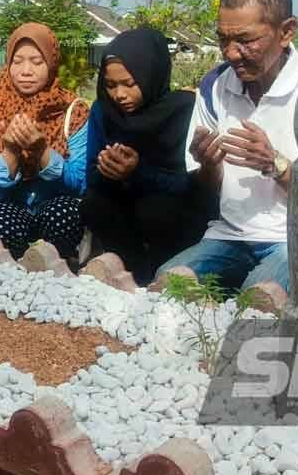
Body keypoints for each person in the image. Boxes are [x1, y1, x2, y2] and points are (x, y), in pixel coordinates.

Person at [155, 0, 298, 294]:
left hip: (292, 238)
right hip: (229, 235)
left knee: (259, 296)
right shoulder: (214, 86)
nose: (231, 53)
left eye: (245, 40)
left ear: (286, 32)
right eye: (223, 40)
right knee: (168, 282)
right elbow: (208, 186)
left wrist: (275, 164)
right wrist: (209, 165)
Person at [80, 28, 212, 285]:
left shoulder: (183, 110)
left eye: (129, 84)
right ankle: (128, 276)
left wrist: (137, 172)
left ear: (151, 74)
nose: (119, 94)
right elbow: (91, 177)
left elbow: (191, 184)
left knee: (155, 209)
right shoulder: (103, 111)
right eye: (110, 85)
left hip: (175, 210)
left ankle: (167, 279)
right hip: (121, 205)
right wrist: (109, 170)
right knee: (94, 205)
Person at [0, 23, 89, 259]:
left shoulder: (73, 111)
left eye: (37, 62)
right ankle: (8, 277)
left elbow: (80, 184)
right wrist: (11, 152)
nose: (26, 71)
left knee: (65, 214)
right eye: (17, 62)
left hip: (55, 203)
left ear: (52, 63)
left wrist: (42, 151)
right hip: (13, 206)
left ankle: (61, 273)